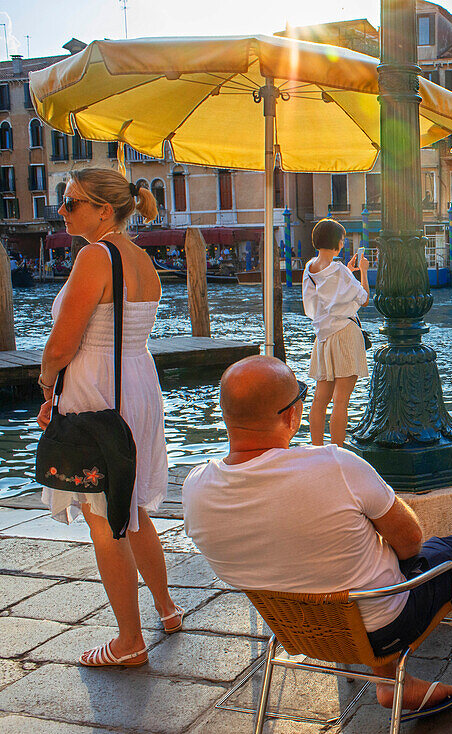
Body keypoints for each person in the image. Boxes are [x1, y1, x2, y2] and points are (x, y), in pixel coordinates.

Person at [182, 356, 452, 720]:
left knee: (353, 567)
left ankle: (394, 682)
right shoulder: (334, 464)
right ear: (290, 416)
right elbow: (411, 540)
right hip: (385, 628)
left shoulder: (195, 489)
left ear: (226, 416)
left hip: (296, 631)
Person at [36, 168, 181, 668]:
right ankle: (166, 608)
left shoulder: (95, 256)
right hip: (137, 383)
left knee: (104, 516)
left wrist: (46, 385)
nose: (62, 210)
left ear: (103, 210)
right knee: (132, 503)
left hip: (97, 389)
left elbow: (61, 343)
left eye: (71, 202)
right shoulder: (144, 258)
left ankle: (128, 642)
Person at [302, 219, 371, 447]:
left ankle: (317, 450)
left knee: (320, 399)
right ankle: (338, 453)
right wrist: (362, 271)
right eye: (342, 239)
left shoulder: (310, 268)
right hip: (345, 334)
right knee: (341, 401)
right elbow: (364, 298)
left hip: (323, 338)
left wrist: (347, 273)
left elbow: (320, 298)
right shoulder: (340, 271)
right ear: (337, 242)